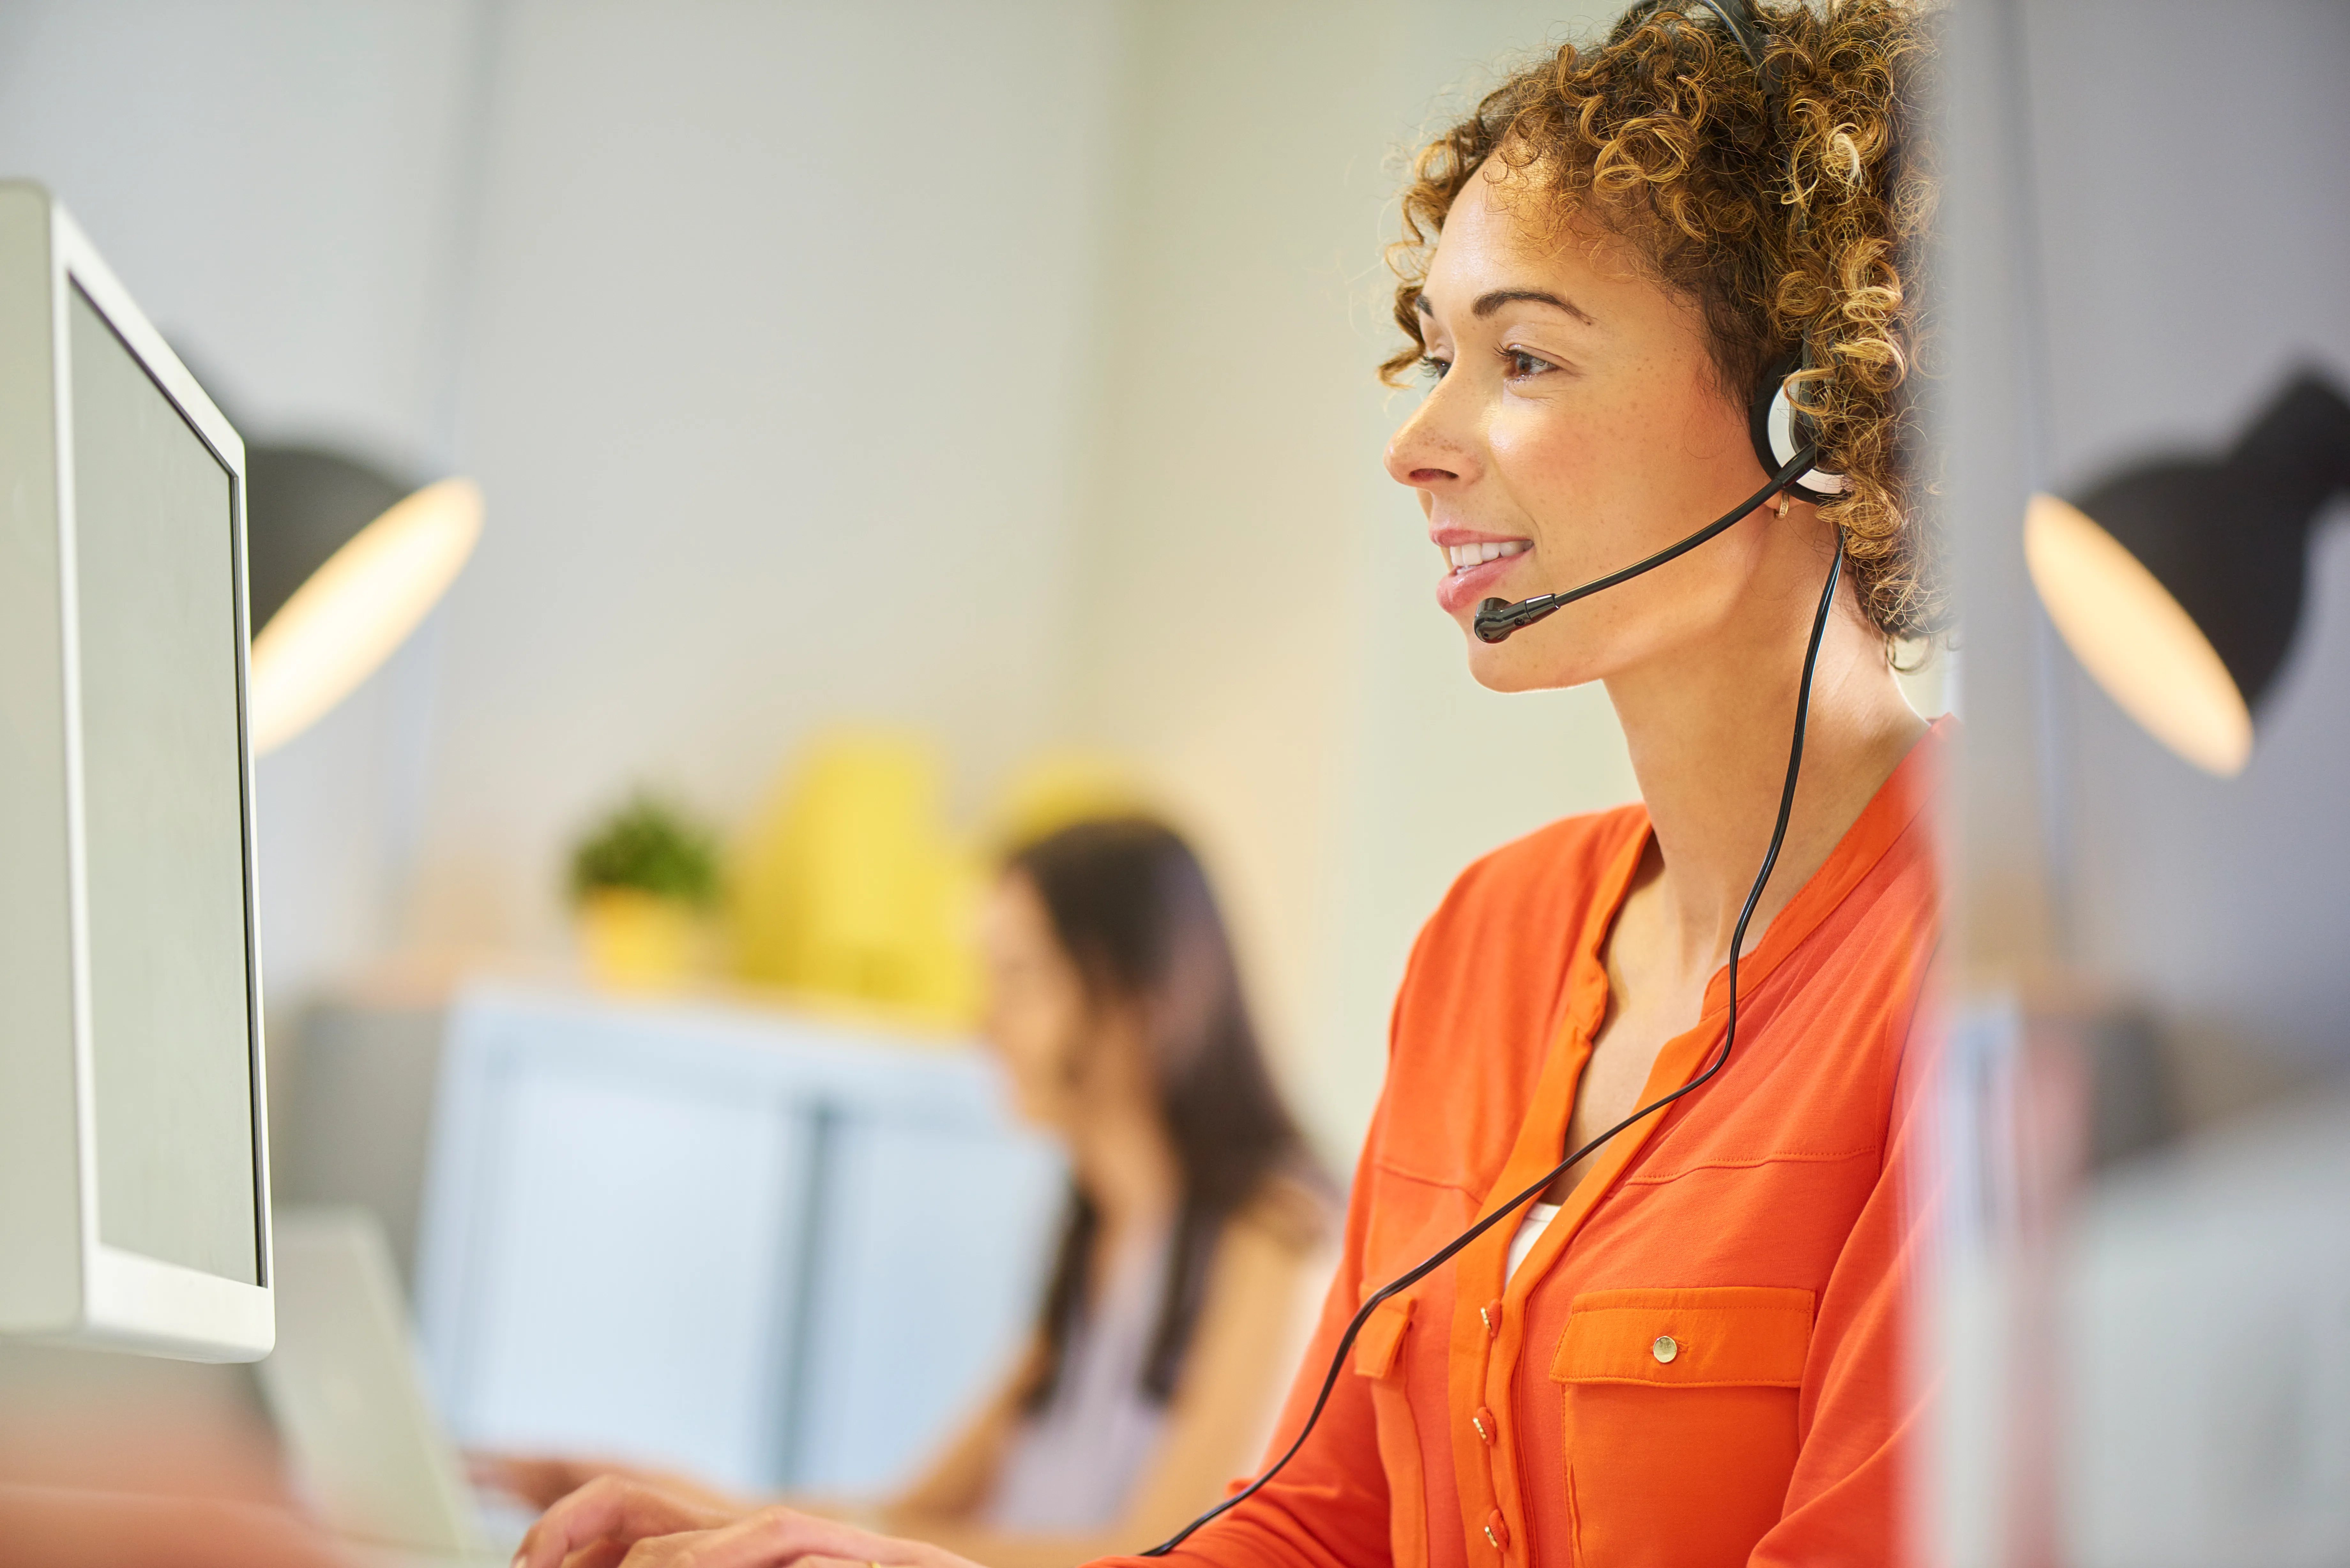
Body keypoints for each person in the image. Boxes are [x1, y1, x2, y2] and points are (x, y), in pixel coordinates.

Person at [514, 1, 1943, 1564]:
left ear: (1820, 416)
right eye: (1440, 353)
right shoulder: (1493, 939)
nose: (1417, 443)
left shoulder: (1984, 962)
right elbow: (1314, 1531)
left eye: (1524, 356)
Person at [483, 817, 1337, 1568]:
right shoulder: (1104, 1239)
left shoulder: (1274, 1240)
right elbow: (914, 1510)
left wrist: (786, 1539)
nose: (984, 1023)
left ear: (1142, 999)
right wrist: (668, 1505)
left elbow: (1160, 1557)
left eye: (1020, 978)